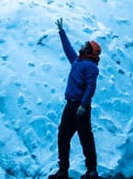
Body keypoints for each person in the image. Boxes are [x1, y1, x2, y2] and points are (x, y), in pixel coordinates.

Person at [49, 18, 101, 179]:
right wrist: (61, 31)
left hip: (80, 106)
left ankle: (91, 170)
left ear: (90, 51)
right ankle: (63, 170)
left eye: (85, 46)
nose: (82, 46)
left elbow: (90, 87)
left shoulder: (91, 67)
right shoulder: (77, 61)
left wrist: (84, 105)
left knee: (85, 137)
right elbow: (68, 48)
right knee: (63, 136)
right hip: (71, 105)